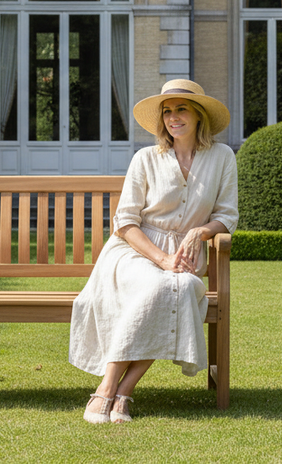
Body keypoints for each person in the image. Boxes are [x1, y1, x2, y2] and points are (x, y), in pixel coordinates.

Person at [68, 79, 238, 424]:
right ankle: (109, 389)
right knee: (164, 287)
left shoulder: (223, 157)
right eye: (167, 111)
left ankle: (120, 392)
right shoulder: (145, 158)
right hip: (133, 254)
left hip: (186, 259)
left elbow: (227, 215)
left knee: (184, 287)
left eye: (181, 109)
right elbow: (125, 221)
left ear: (199, 114)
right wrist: (162, 260)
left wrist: (200, 231)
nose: (173, 118)